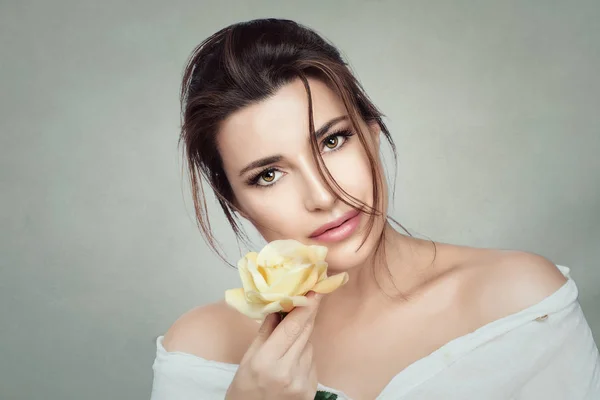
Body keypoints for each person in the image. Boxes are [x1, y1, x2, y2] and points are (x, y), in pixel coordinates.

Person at [150, 18, 600, 400]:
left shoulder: (517, 303)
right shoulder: (200, 350)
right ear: (236, 202)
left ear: (371, 130)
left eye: (332, 140)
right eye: (268, 174)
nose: (323, 196)